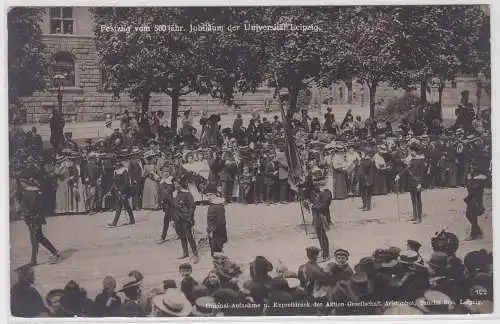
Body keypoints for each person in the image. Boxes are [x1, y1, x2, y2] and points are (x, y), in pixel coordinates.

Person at [17, 169, 61, 265]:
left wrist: (27, 214)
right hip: (33, 218)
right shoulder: (32, 191)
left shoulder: (32, 193)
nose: (21, 184)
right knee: (39, 237)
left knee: (34, 238)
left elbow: (33, 207)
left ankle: (33, 260)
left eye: (22, 181)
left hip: (34, 219)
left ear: (28, 181)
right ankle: (55, 252)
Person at [395, 141, 426, 224]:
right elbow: (406, 169)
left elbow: (422, 173)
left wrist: (420, 183)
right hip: (411, 181)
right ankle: (414, 216)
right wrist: (399, 175)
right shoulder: (412, 160)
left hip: (417, 182)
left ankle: (419, 218)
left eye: (411, 151)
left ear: (415, 151)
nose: (410, 152)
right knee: (413, 199)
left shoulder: (420, 161)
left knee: (418, 200)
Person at [172, 178, 198, 261]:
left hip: (186, 218)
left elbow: (192, 206)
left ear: (181, 184)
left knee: (189, 236)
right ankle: (185, 253)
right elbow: (173, 208)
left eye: (177, 184)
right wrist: (173, 219)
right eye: (174, 184)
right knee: (182, 236)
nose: (176, 186)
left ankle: (195, 253)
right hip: (177, 218)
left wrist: (189, 217)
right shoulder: (174, 194)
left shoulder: (187, 194)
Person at [106, 159, 135, 227]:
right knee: (125, 206)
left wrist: (121, 191)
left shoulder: (124, 171)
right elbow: (114, 183)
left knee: (120, 206)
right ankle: (132, 219)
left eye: (116, 164)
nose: (115, 166)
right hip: (118, 191)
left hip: (124, 191)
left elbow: (126, 183)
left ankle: (115, 222)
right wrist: (112, 190)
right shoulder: (115, 172)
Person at [464, 163, 486, 241]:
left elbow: (472, 189)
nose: (471, 169)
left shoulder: (478, 179)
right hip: (473, 199)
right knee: (470, 215)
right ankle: (478, 232)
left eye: (472, 168)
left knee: (472, 216)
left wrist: (469, 180)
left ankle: (473, 235)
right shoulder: (476, 178)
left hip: (475, 200)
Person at [311, 183, 332, 261]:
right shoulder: (319, 192)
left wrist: (314, 206)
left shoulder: (326, 193)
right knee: (320, 235)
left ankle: (326, 254)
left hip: (322, 217)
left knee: (323, 236)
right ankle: (324, 252)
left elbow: (324, 206)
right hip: (316, 217)